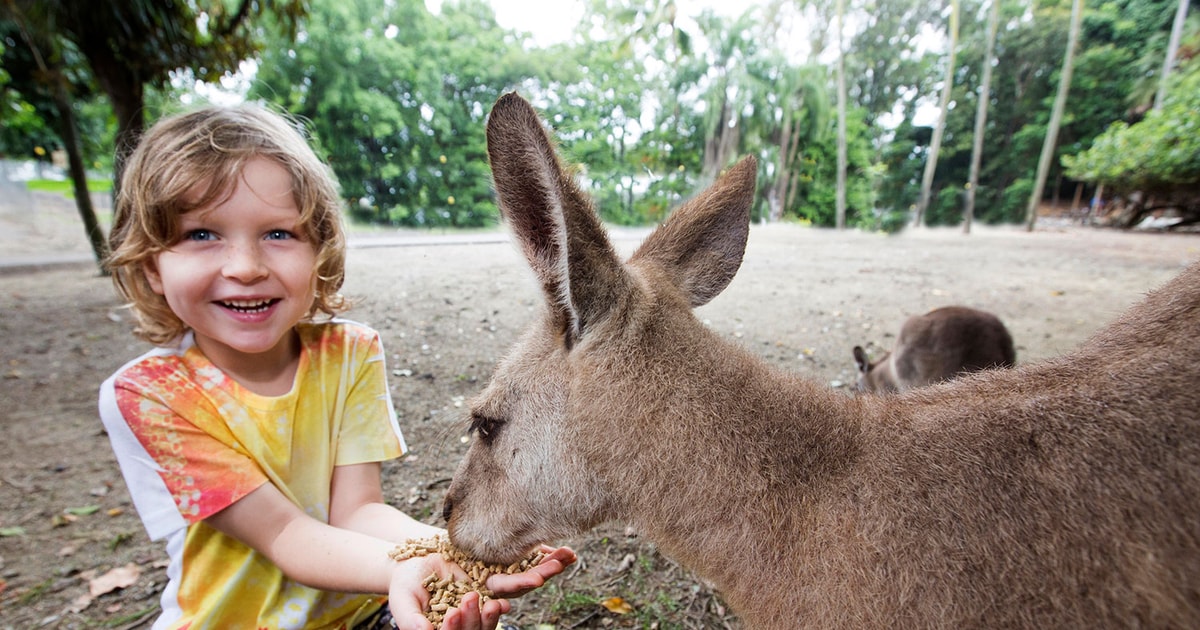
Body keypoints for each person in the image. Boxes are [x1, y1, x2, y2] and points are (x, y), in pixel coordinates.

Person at [98, 104, 575, 630]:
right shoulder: (151, 394)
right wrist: (414, 571)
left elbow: (357, 512)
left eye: (278, 233)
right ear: (151, 266)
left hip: (357, 612)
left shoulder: (349, 353)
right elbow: (284, 534)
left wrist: (458, 554)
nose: (246, 268)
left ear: (319, 250)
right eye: (201, 235)